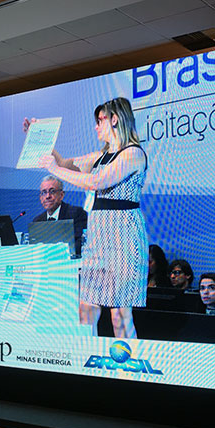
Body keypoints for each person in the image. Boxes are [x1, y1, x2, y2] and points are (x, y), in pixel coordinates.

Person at [28, 97, 148, 339]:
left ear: (115, 119)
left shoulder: (133, 153)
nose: (96, 127)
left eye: (100, 120)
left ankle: (131, 361)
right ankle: (87, 357)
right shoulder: (100, 156)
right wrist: (39, 136)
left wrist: (54, 170)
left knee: (119, 314)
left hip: (123, 237)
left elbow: (97, 181)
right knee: (86, 309)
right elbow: (65, 164)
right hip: (98, 238)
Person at [32, 175, 87, 255]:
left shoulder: (76, 214)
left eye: (52, 191)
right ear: (40, 198)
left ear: (61, 195)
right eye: (44, 192)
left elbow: (79, 244)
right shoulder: (37, 221)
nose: (47, 196)